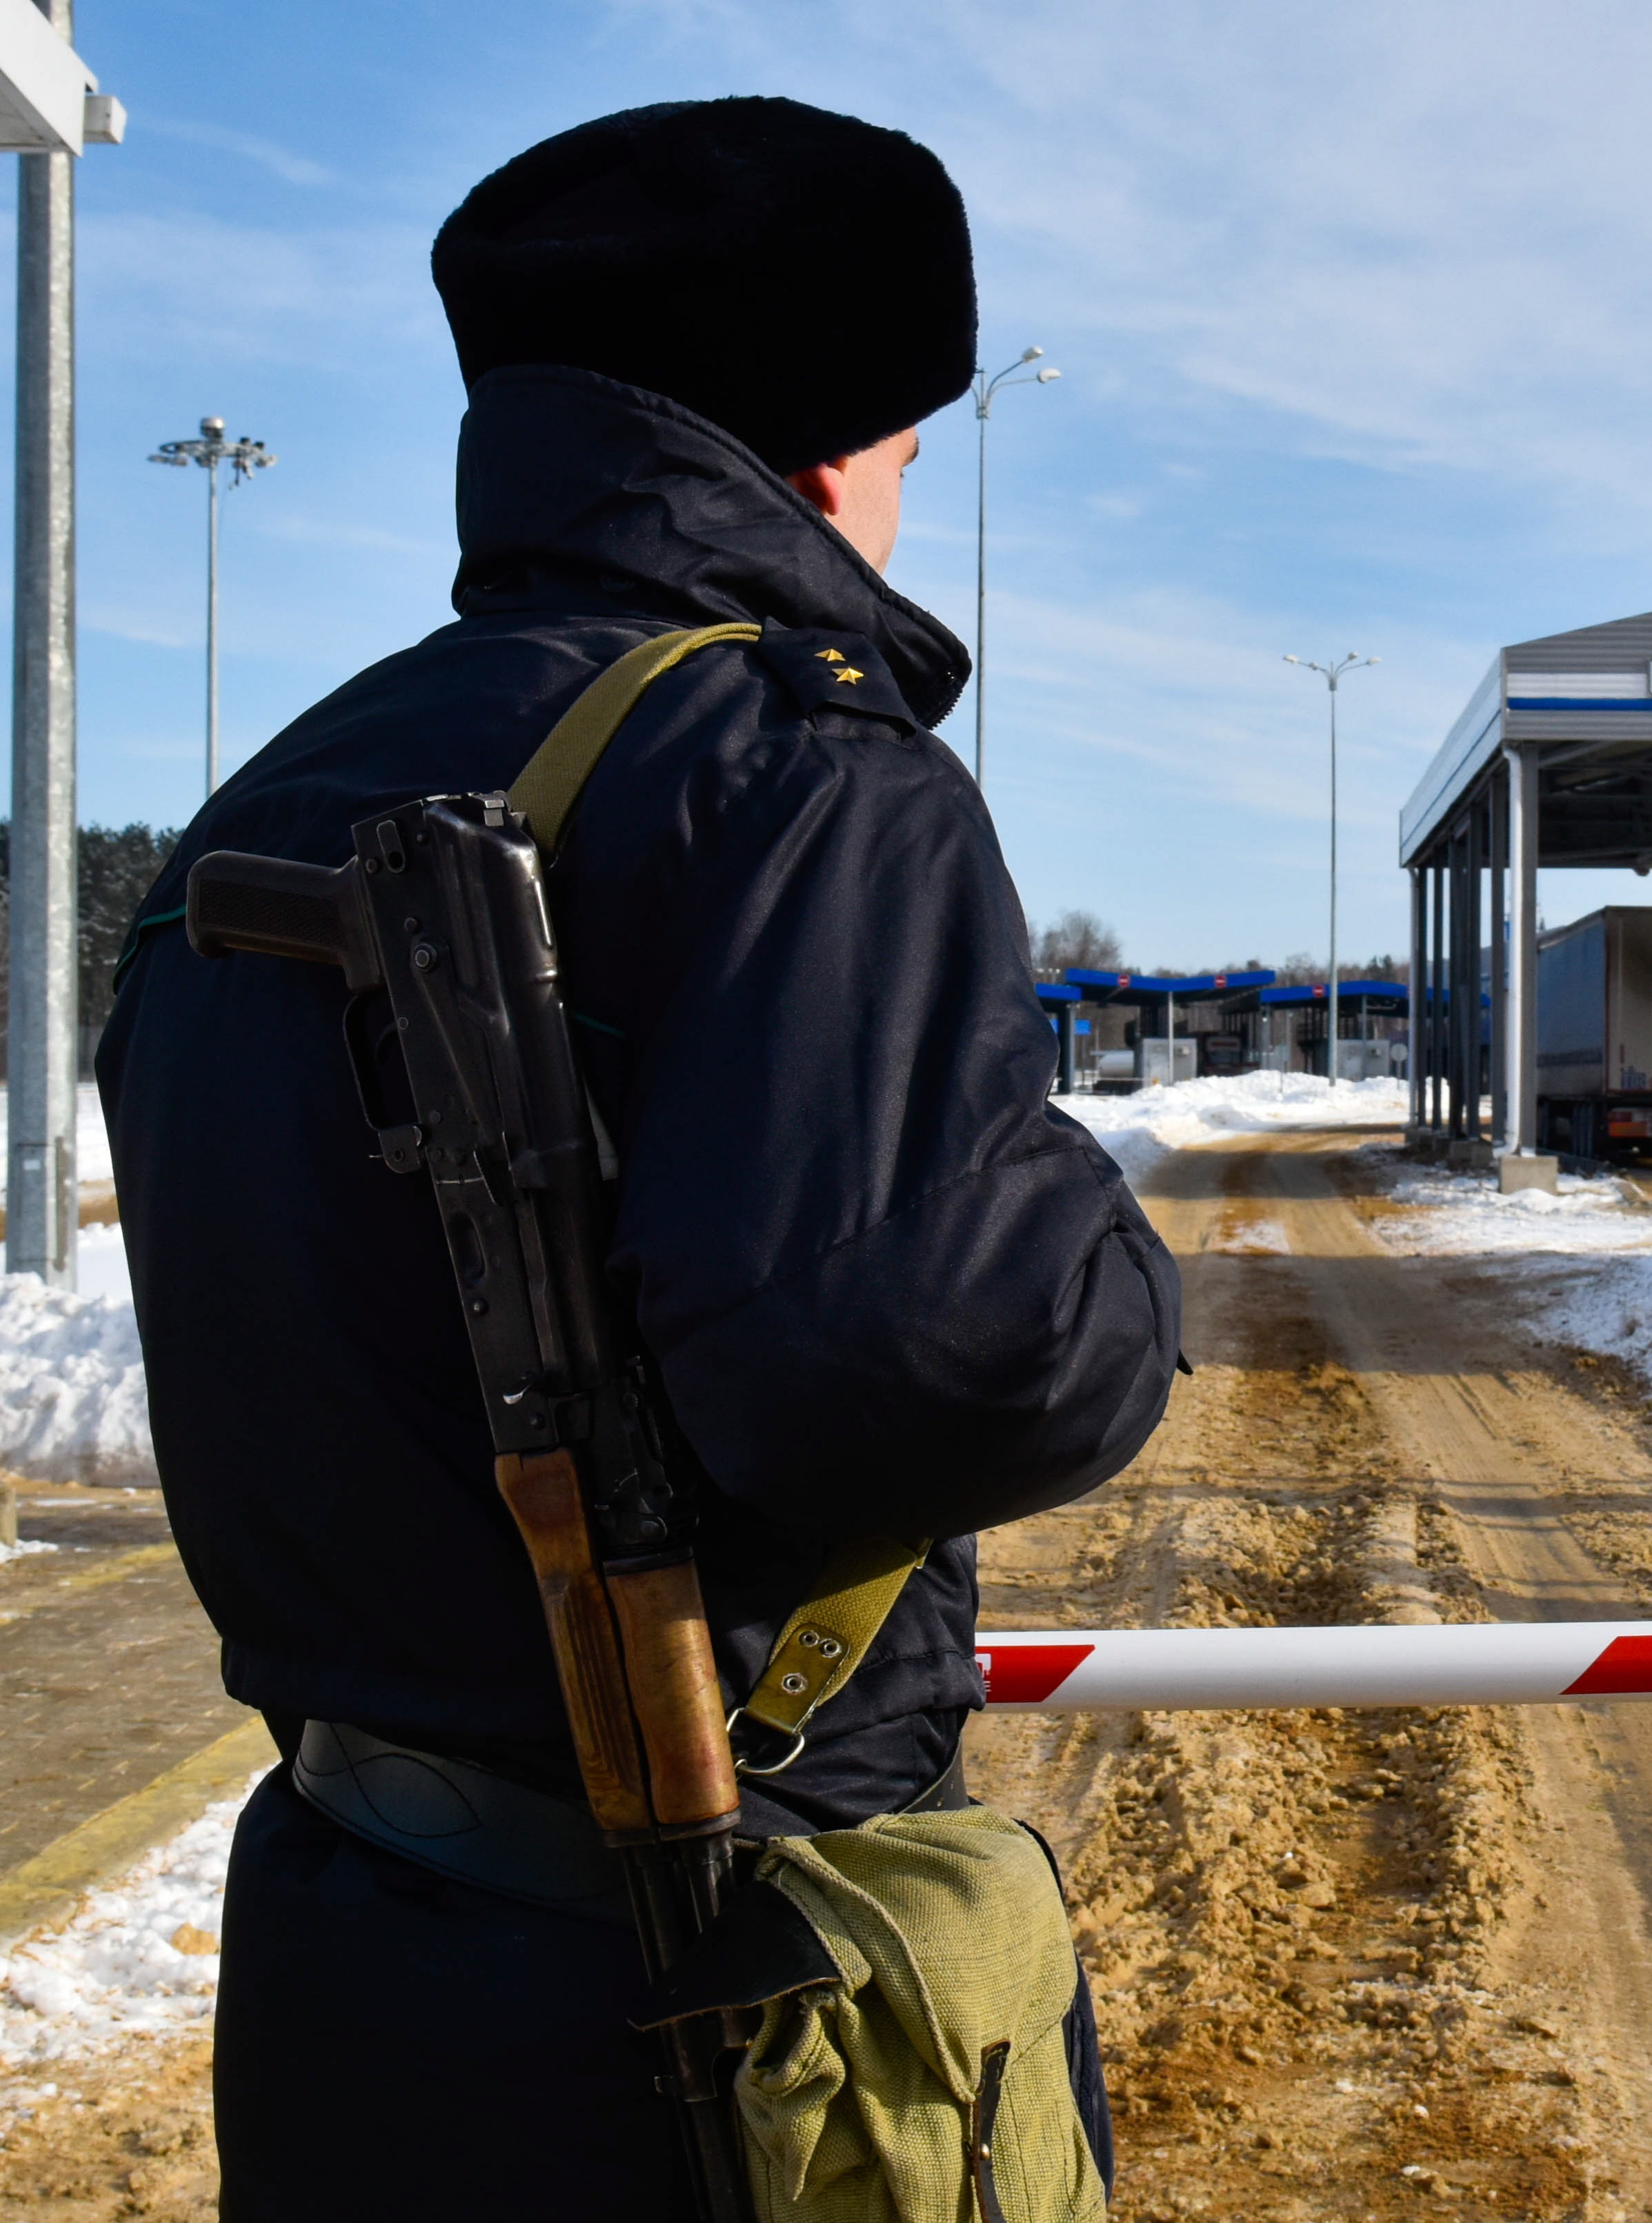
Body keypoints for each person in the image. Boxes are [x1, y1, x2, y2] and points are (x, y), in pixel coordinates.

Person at [97, 97, 1180, 2216]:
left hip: (349, 1941)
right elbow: (927, 1363)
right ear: (823, 437)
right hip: (704, 2001)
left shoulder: (292, 779)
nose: (901, 498)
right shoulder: (798, 768)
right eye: (908, 440)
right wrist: (1103, 1241)